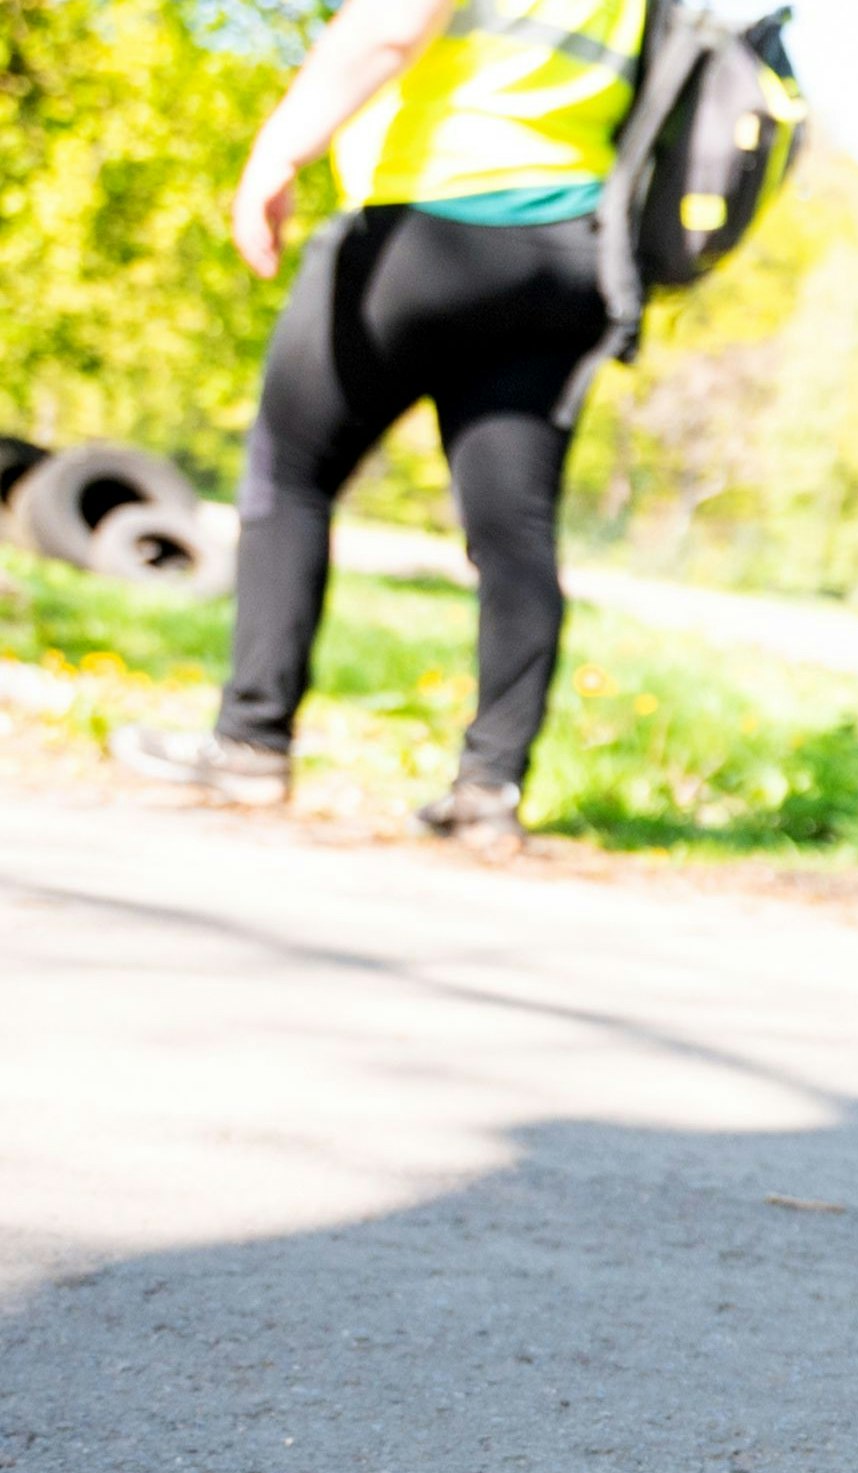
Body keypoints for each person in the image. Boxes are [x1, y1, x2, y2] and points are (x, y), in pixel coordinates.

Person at [114, 0, 638, 855]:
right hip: (569, 250)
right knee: (514, 532)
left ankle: (251, 741)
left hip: (430, 224)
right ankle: (489, 788)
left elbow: (390, 26)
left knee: (290, 470)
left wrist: (278, 150)